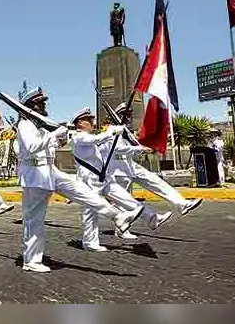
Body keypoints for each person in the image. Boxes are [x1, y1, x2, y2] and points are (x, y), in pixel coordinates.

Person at [14, 87, 142, 273]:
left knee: (83, 192)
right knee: (35, 221)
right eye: (40, 103)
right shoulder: (25, 125)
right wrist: (54, 135)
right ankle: (31, 261)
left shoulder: (41, 126)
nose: (44, 105)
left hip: (50, 170)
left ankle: (118, 215)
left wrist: (60, 139)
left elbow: (51, 147)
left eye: (43, 102)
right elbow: (32, 147)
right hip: (34, 175)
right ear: (30, 106)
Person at [69, 107, 172, 251]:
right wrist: (112, 131)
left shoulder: (91, 138)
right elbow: (97, 138)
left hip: (103, 178)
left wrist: (138, 148)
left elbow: (116, 148)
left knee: (127, 199)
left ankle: (152, 218)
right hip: (88, 181)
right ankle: (90, 243)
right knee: (90, 213)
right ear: (80, 122)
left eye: (92, 119)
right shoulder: (78, 137)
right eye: (89, 120)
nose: (92, 122)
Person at [103, 103, 203, 239]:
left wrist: (140, 149)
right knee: (124, 201)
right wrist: (139, 149)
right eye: (127, 115)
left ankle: (181, 204)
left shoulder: (127, 131)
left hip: (130, 166)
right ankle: (122, 230)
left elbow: (130, 150)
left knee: (155, 181)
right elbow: (116, 148)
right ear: (119, 115)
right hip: (118, 170)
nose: (130, 117)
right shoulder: (112, 130)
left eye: (130, 115)